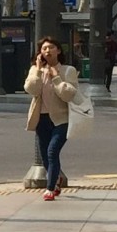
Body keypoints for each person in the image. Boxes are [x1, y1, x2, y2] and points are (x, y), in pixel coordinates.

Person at [25, 36, 77, 200]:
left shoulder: (68, 70)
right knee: (45, 154)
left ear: (58, 51)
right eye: (44, 48)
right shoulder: (35, 70)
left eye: (51, 47)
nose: (47, 51)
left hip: (62, 119)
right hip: (41, 119)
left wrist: (56, 77)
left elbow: (68, 95)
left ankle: (50, 188)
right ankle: (56, 179)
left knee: (52, 151)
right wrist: (38, 71)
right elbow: (31, 90)